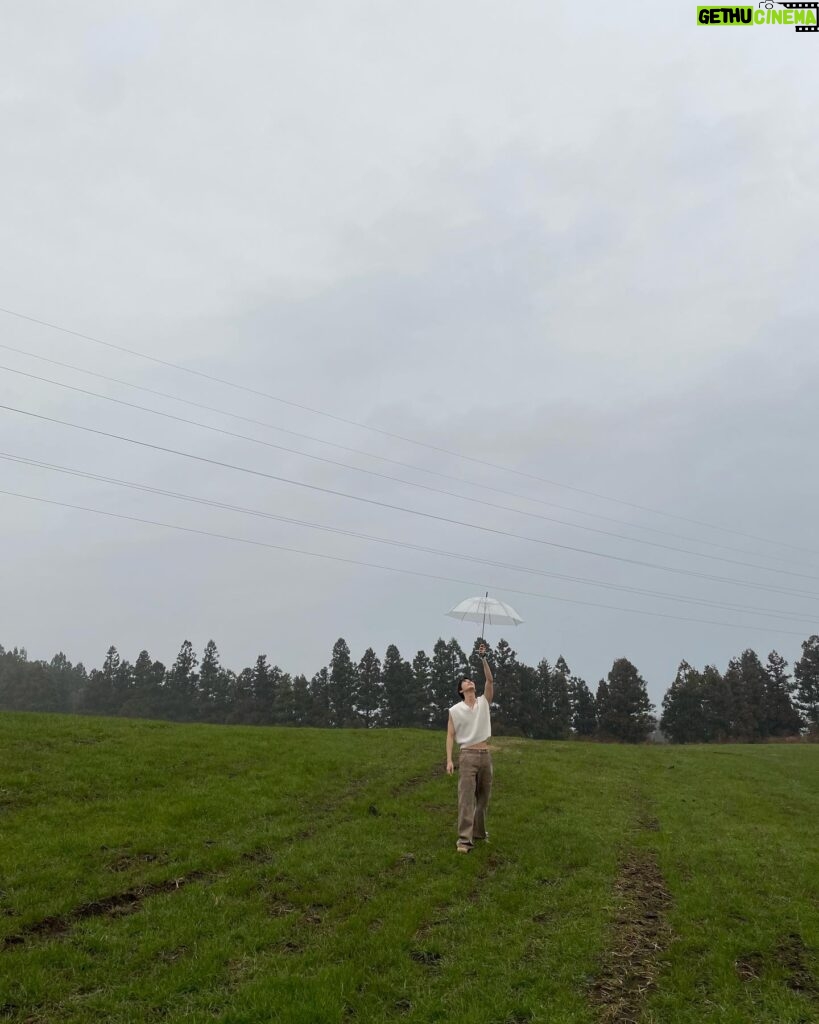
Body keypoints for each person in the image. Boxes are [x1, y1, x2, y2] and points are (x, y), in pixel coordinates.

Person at [446, 643, 494, 854]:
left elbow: (490, 680)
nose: (469, 682)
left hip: (485, 755)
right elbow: (450, 735)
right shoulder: (455, 710)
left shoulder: (484, 702)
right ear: (461, 690)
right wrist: (449, 759)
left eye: (470, 680)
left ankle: (479, 833)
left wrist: (483, 658)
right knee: (466, 799)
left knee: (483, 798)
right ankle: (464, 841)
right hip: (467, 756)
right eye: (465, 681)